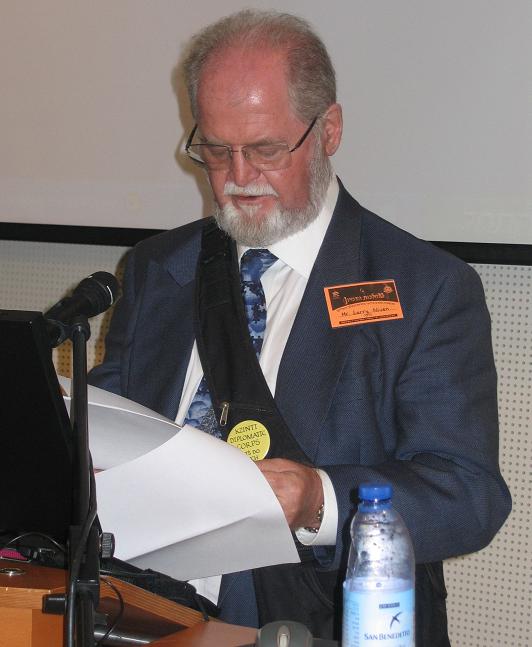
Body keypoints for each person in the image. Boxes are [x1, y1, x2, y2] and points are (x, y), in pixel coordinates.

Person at [89, 9, 511, 643]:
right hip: (143, 613)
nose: (236, 178)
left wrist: (319, 499)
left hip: (328, 620)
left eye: (264, 150)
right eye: (214, 150)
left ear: (329, 129)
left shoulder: (425, 287)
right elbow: (107, 423)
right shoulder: (159, 269)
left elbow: (468, 496)